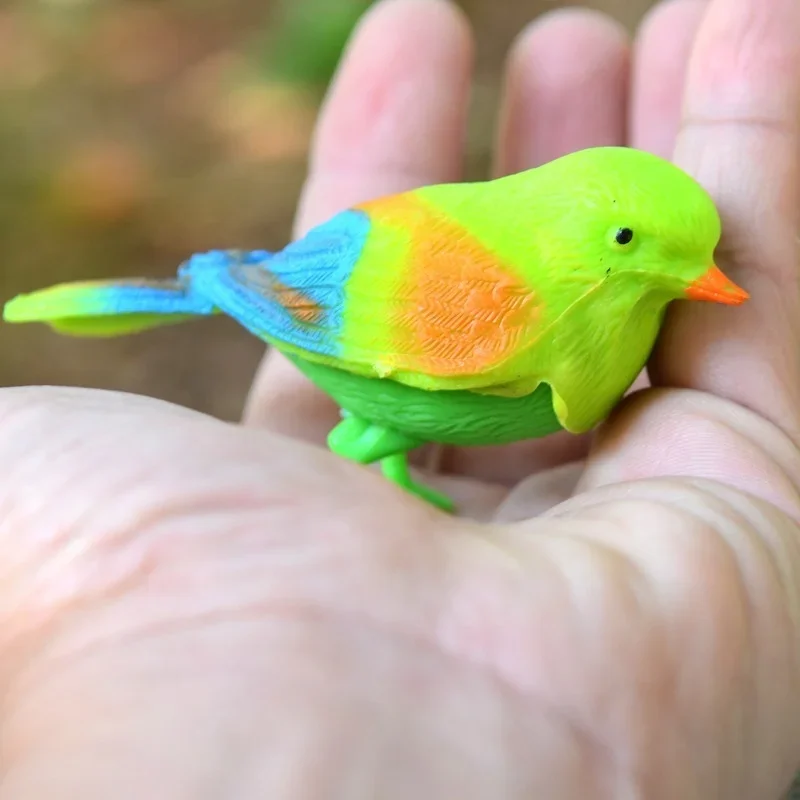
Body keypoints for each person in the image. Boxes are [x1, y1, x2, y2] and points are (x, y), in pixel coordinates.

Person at [2, 0, 799, 796]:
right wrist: (236, 286)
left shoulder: (616, 317)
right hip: (333, 317)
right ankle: (373, 455)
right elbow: (337, 302)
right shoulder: (504, 311)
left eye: (697, 256)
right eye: (630, 244)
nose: (697, 278)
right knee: (366, 428)